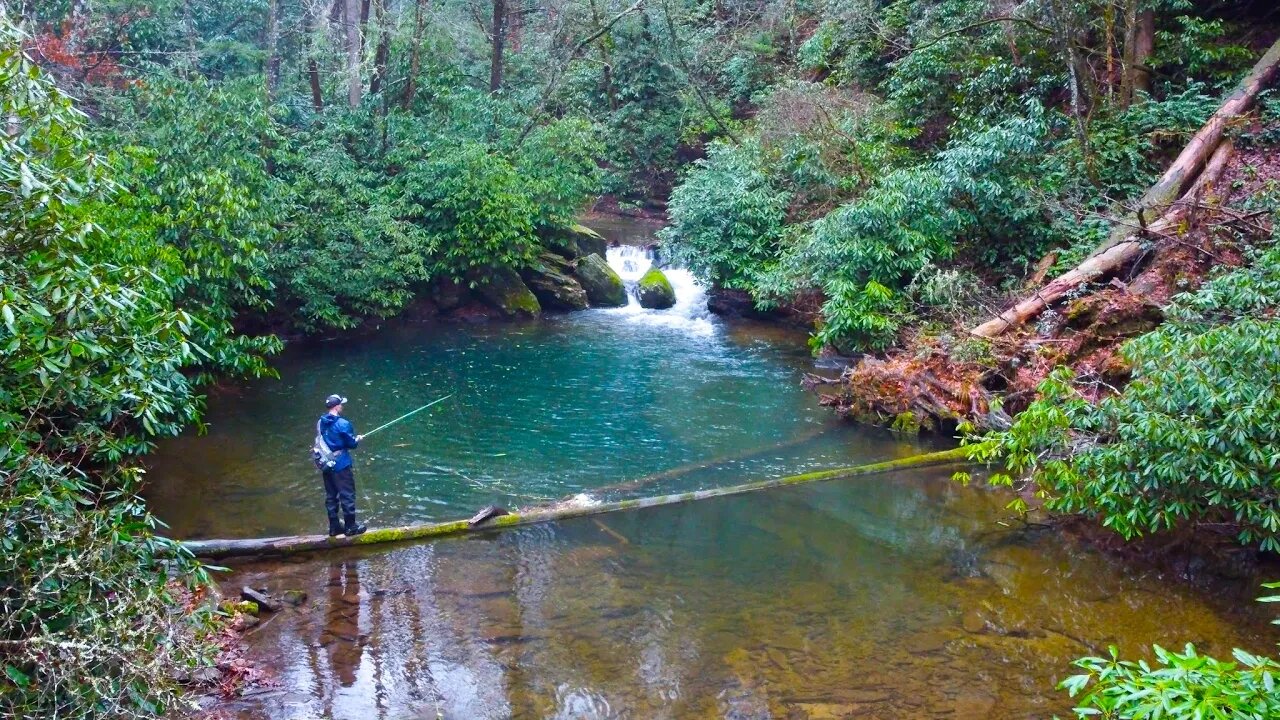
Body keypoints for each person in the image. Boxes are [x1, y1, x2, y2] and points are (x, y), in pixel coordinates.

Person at [318, 394, 367, 537]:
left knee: (331, 496)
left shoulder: (320, 422)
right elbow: (351, 444)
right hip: (341, 465)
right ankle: (350, 527)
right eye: (341, 404)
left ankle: (334, 527)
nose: (342, 406)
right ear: (337, 406)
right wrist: (357, 439)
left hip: (326, 464)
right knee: (347, 495)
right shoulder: (343, 423)